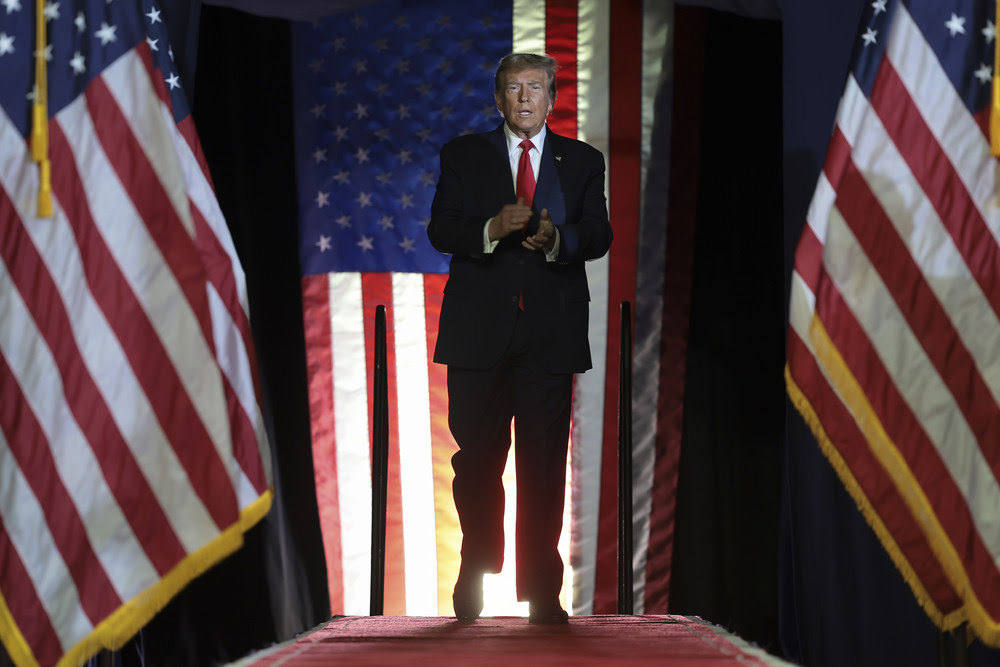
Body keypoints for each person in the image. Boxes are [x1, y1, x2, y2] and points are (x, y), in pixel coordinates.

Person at [427, 52, 613, 625]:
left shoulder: (582, 160)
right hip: (479, 338)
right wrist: (489, 229)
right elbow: (441, 229)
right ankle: (475, 568)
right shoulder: (463, 154)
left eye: (534, 88)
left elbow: (599, 233)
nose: (524, 98)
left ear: (552, 98)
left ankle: (542, 591)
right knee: (477, 462)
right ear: (498, 99)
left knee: (543, 464)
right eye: (513, 89)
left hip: (549, 337)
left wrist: (560, 240)